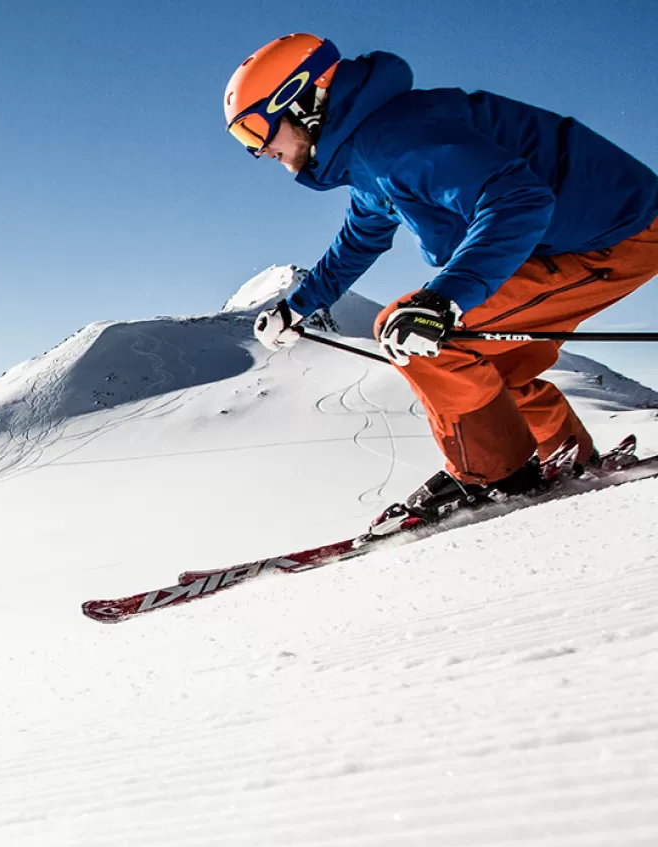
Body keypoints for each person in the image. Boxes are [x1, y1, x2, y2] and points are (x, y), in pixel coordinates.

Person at [226, 34, 658, 527]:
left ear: (302, 100)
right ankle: (567, 457)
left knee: (431, 340)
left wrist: (444, 300)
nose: (259, 150)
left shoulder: (397, 138)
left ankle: (495, 476)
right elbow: (360, 239)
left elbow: (518, 199)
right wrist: (298, 306)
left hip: (616, 234)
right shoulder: (369, 151)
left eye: (255, 131)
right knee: (488, 373)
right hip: (581, 235)